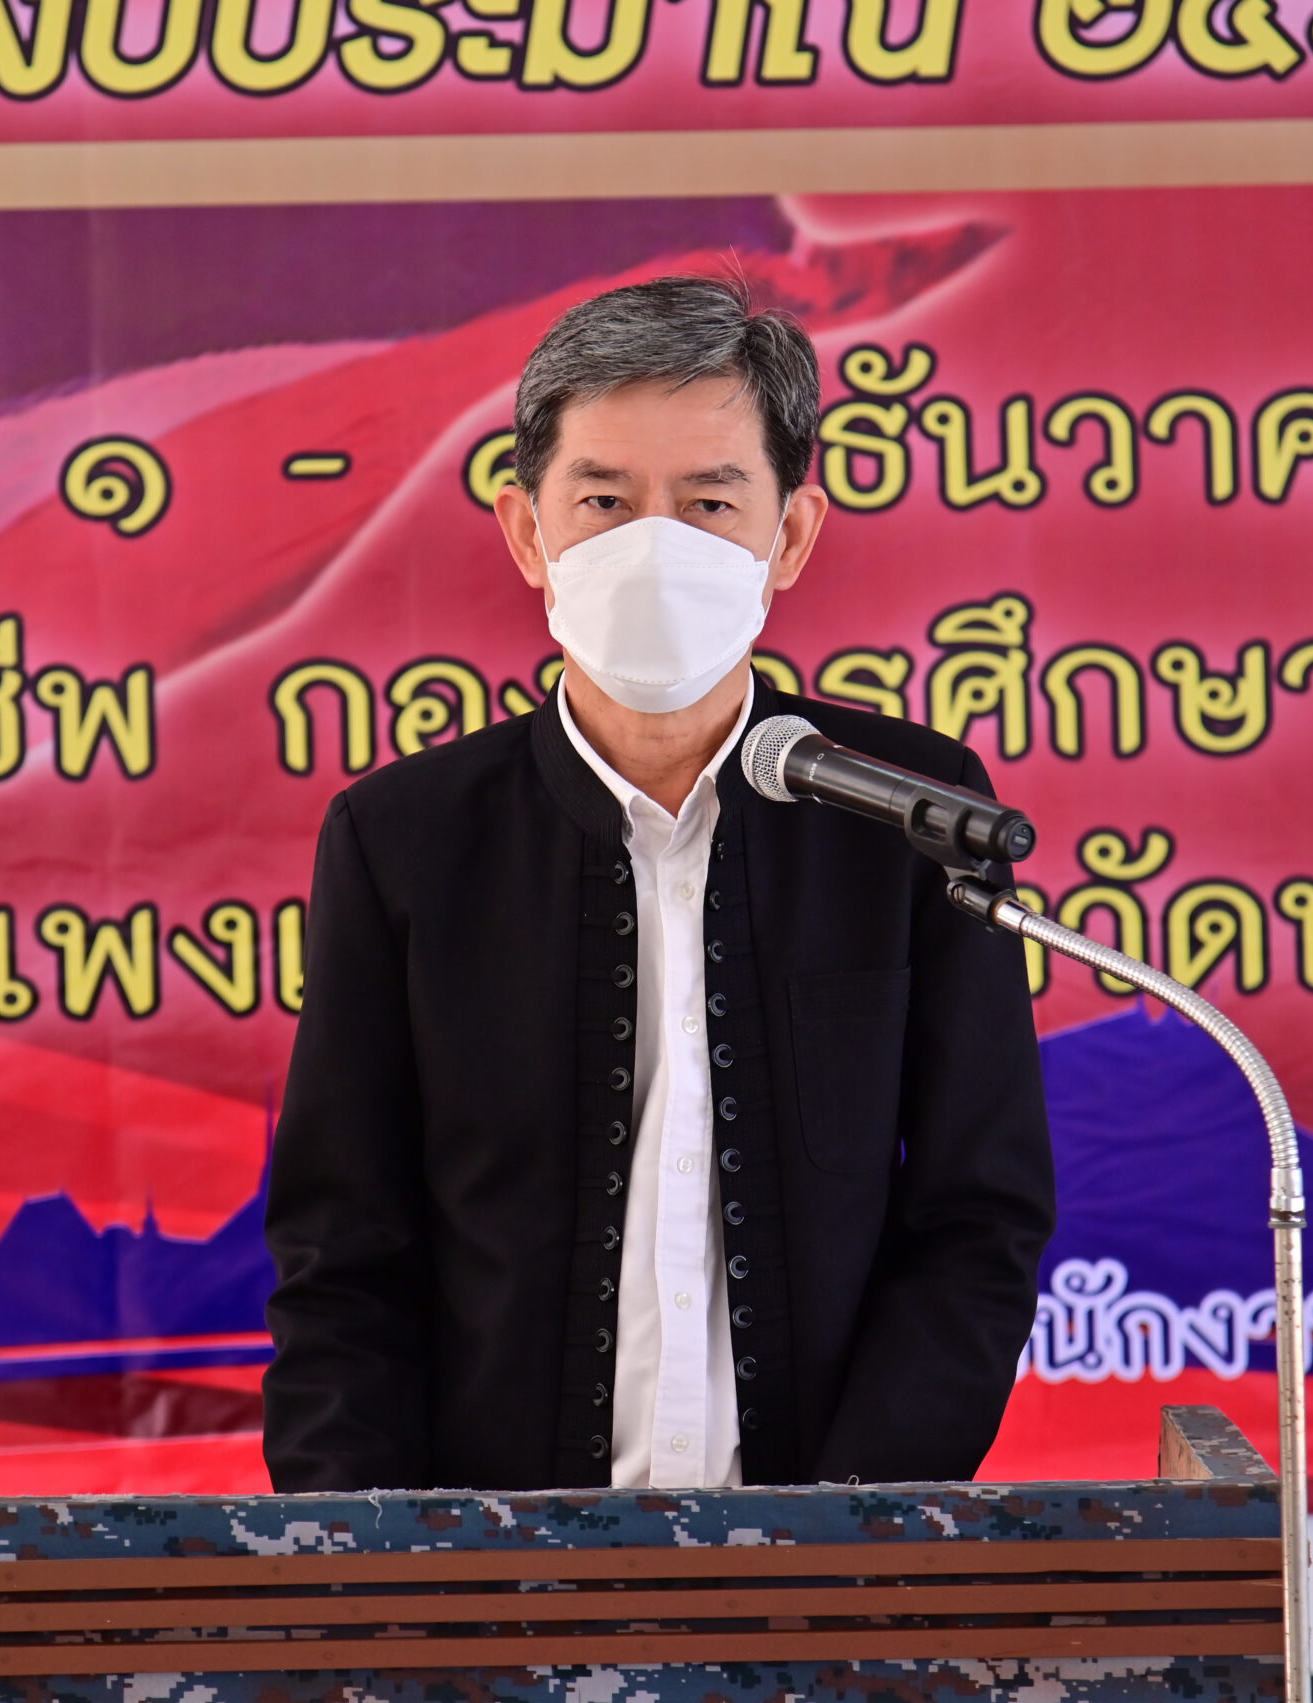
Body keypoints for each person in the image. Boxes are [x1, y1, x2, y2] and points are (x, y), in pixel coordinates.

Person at [261, 274, 1055, 1492]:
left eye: (708, 502)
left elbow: (977, 1216)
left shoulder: (905, 810)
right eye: (604, 500)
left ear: (790, 536)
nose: (653, 546)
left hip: (833, 1553)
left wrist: (853, 1533)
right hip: (488, 1563)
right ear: (527, 532)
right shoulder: (403, 839)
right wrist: (380, 1565)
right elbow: (342, 1253)